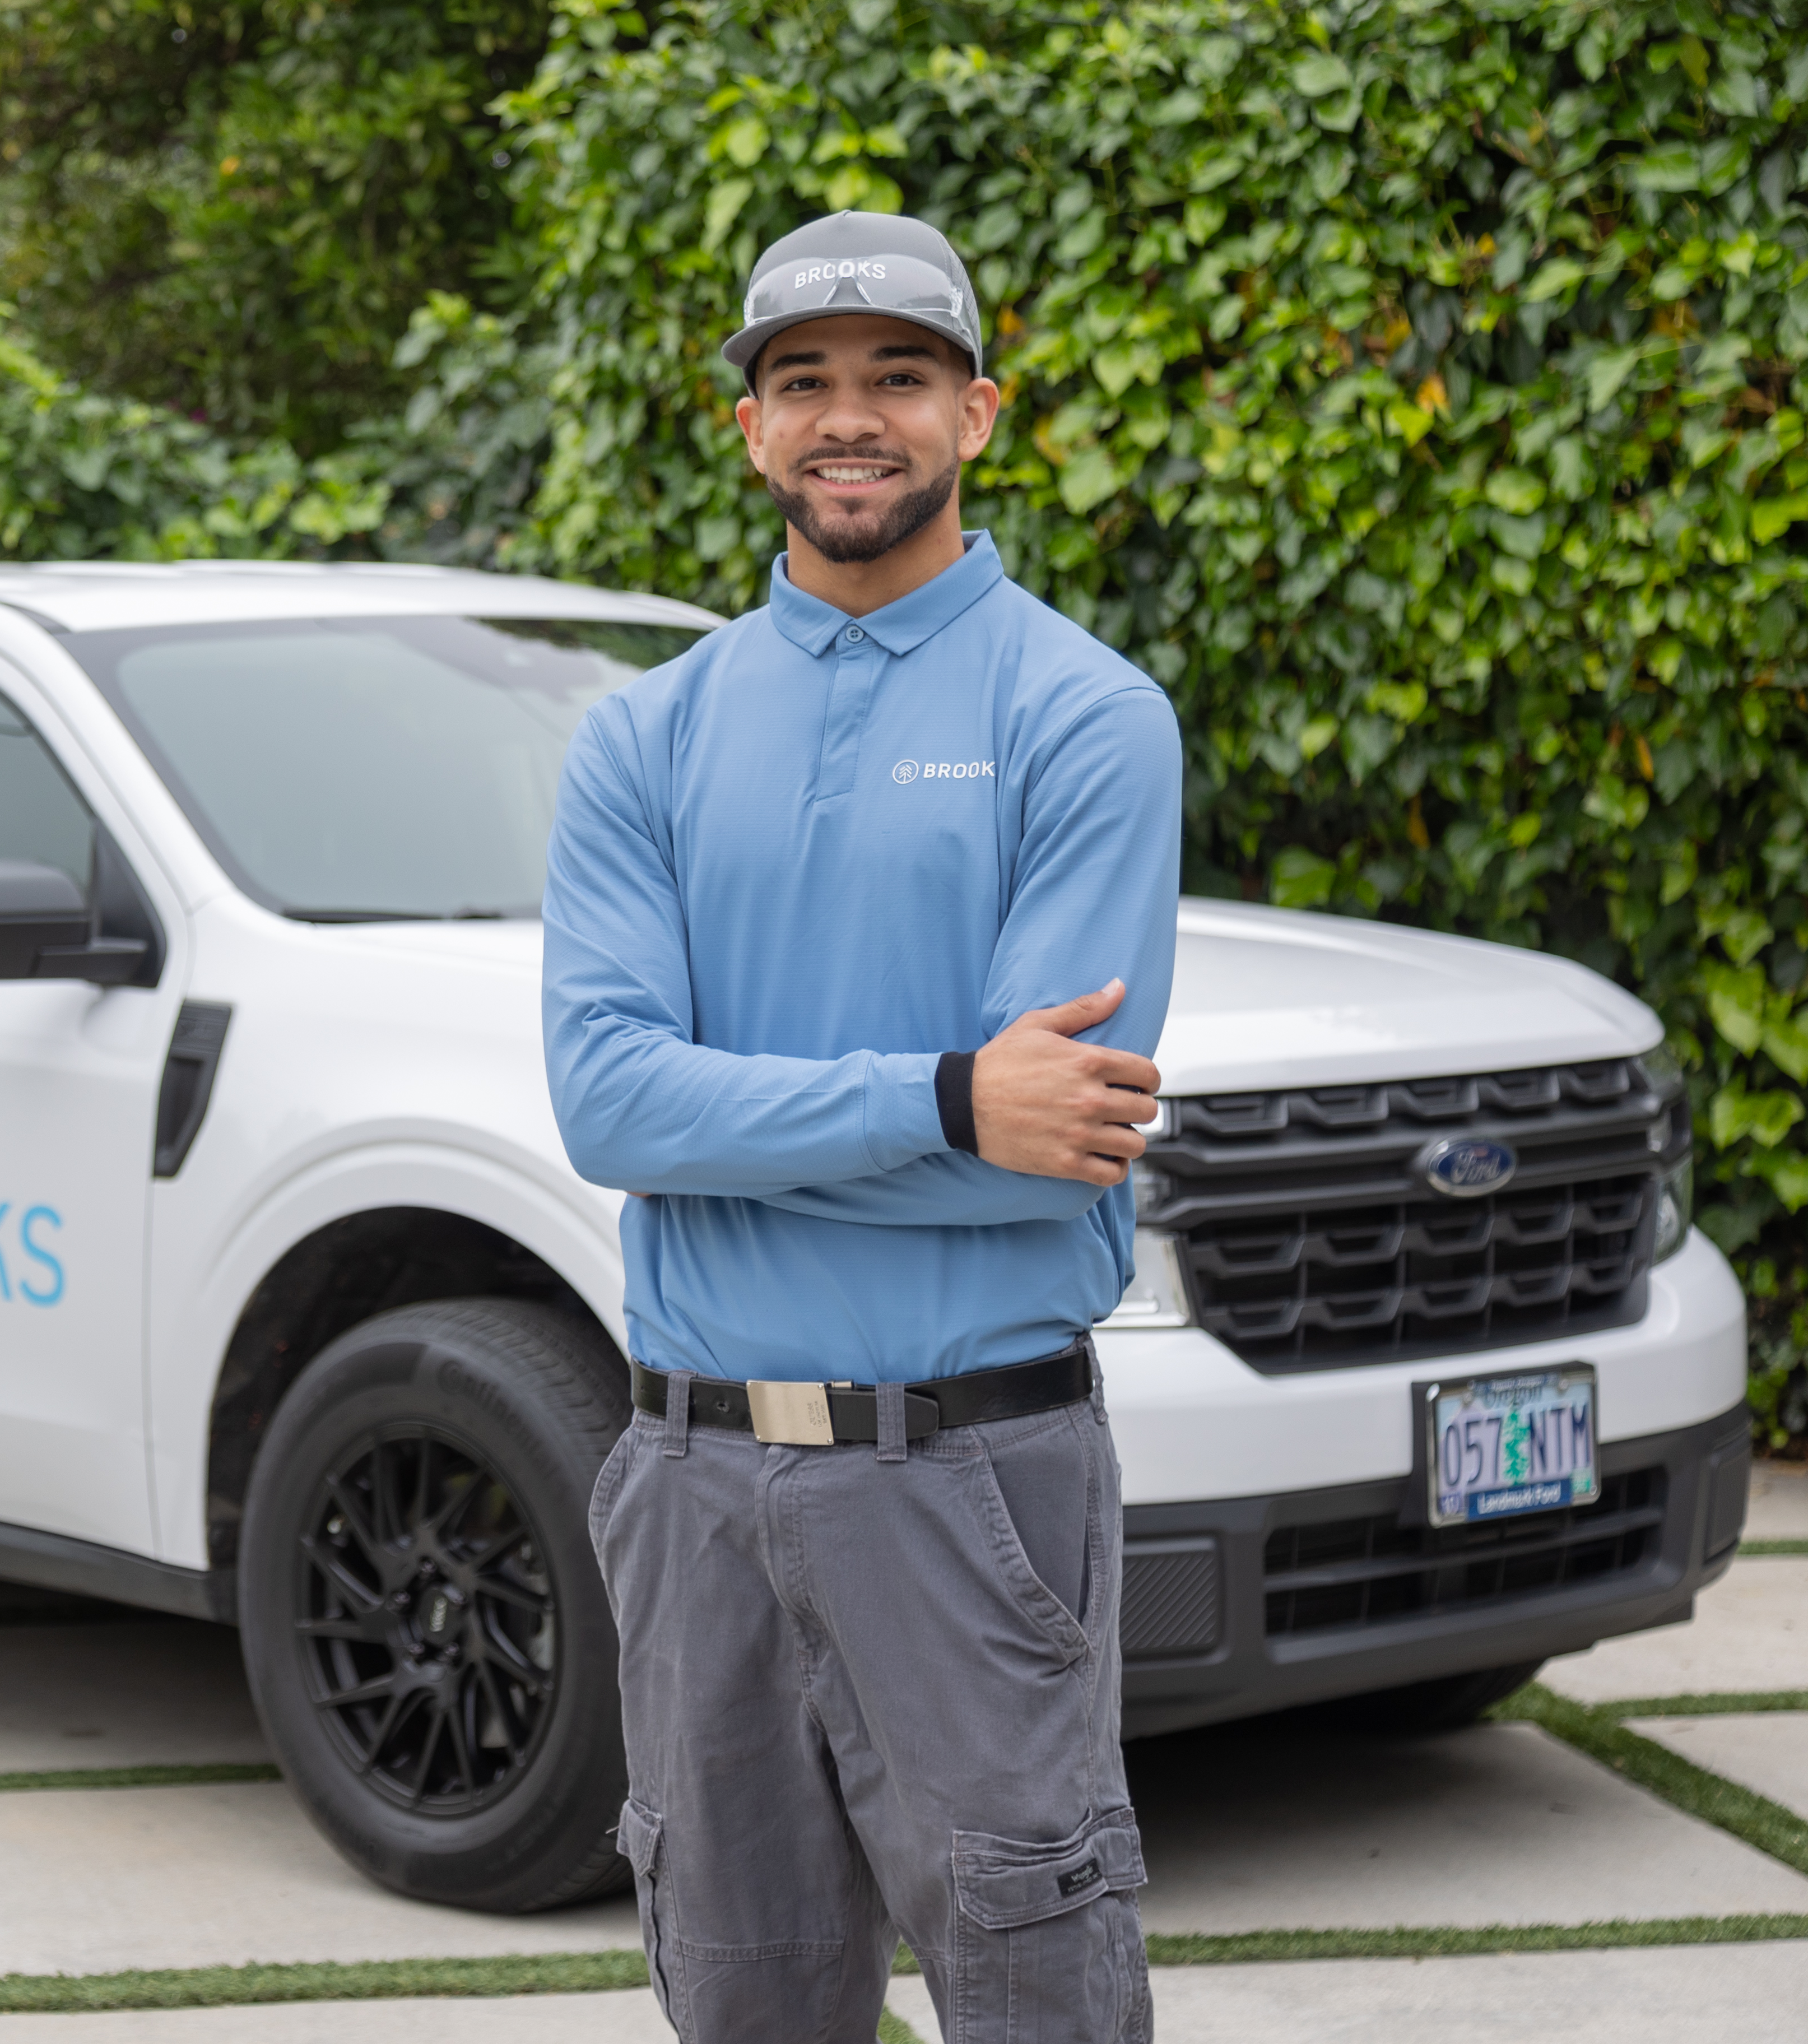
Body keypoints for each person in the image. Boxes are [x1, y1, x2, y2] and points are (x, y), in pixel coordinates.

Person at [542, 210, 1182, 2042]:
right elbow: (608, 1101)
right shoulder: (642, 741)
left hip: (968, 1481)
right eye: (803, 382)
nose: (851, 419)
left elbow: (1043, 1159)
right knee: (737, 1998)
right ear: (749, 428)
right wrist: (940, 1095)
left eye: (899, 377)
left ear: (974, 414)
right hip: (687, 1488)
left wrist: (738, 1132)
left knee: (1034, 1985)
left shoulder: (1084, 719)